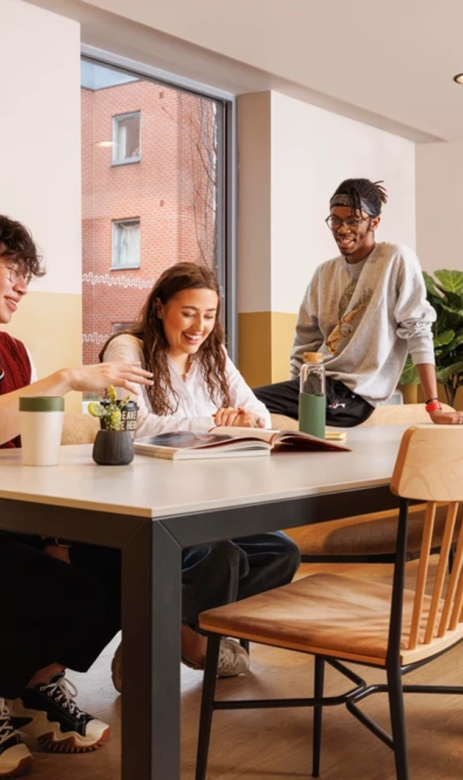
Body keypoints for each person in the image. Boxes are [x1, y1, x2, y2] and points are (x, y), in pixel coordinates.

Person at [0, 214, 154, 777]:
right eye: (10, 269)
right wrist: (66, 379)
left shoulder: (15, 350)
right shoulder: (43, 369)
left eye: (25, 274)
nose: (21, 285)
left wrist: (58, 535)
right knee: (66, 591)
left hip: (18, 515)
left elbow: (26, 454)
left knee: (127, 565)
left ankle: (32, 686)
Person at [101, 262, 301, 692]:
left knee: (282, 552)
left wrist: (244, 418)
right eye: (188, 313)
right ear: (159, 308)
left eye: (209, 315)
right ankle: (191, 642)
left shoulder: (214, 355)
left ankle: (164, 632)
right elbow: (131, 424)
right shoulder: (128, 349)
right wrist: (213, 422)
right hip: (152, 504)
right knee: (222, 556)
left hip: (210, 499)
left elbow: (260, 413)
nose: (199, 327)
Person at [253, 178, 463, 427]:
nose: (342, 229)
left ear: (374, 222)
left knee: (243, 402)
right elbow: (306, 344)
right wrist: (294, 391)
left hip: (353, 395)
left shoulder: (395, 259)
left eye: (353, 221)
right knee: (240, 403)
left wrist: (434, 406)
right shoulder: (323, 274)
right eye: (335, 220)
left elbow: (418, 331)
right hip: (319, 387)